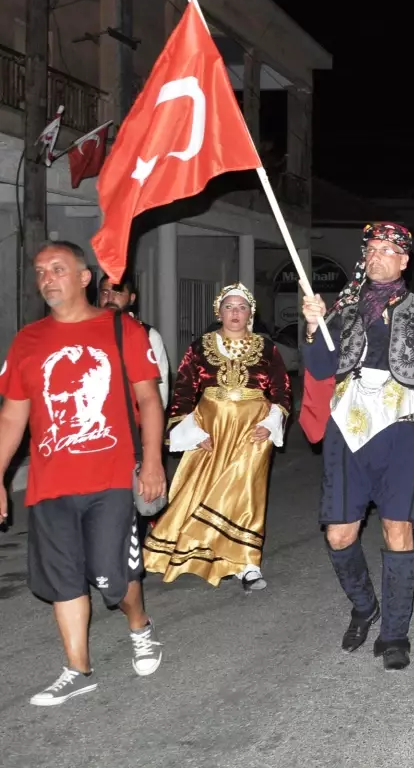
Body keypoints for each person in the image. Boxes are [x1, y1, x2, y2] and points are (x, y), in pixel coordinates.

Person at [0, 241, 165, 706]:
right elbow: (13, 416)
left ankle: (140, 625)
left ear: (84, 277)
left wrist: (151, 462)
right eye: (40, 271)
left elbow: (149, 399)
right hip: (50, 483)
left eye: (58, 269)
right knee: (64, 578)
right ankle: (78, 669)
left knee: (112, 578)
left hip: (111, 479)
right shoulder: (28, 341)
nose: (47, 278)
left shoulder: (120, 329)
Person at [299, 222, 414, 670]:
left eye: (388, 250)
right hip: (347, 432)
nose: (377, 256)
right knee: (339, 534)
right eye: (372, 248)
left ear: (404, 260)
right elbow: (319, 365)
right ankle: (365, 606)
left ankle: (394, 634)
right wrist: (314, 326)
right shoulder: (343, 310)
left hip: (403, 432)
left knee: (397, 531)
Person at [143, 283, 291, 592]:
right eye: (229, 307)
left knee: (246, 489)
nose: (235, 313)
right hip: (210, 429)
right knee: (204, 490)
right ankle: (207, 551)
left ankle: (247, 562)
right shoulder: (200, 347)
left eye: (241, 307)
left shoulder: (267, 348)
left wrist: (272, 421)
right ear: (219, 312)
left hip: (253, 429)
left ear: (250, 313)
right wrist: (191, 432)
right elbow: (183, 391)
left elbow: (281, 390)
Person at [98, 274, 171, 407]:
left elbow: (160, 394)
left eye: (118, 292)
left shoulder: (148, 335)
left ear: (131, 299)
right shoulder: (90, 333)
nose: (110, 298)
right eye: (105, 292)